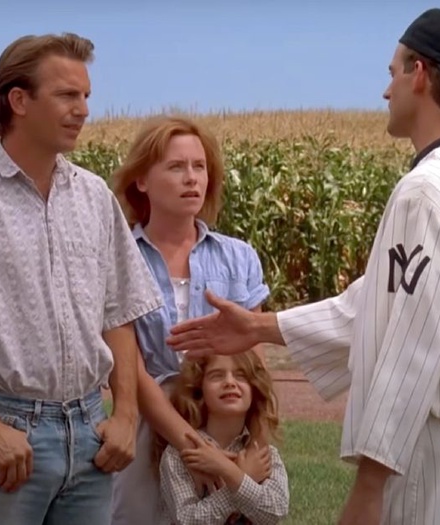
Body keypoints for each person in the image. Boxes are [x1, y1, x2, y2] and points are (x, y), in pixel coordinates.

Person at [166, 8, 440, 525]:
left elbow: (411, 343)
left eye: (393, 73)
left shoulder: (425, 191)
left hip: (436, 465)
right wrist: (257, 327)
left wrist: (370, 482)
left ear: (420, 74)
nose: (387, 91)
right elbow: (376, 307)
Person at [0, 32, 164, 525]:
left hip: (90, 435)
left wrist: (126, 415)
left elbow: (118, 312)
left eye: (86, 97)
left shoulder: (95, 197)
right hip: (9, 435)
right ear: (18, 100)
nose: (82, 109)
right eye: (67, 95)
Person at [108, 115, 274, 524]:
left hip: (227, 428)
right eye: (176, 166)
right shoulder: (119, 257)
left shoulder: (238, 258)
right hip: (148, 428)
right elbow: (133, 373)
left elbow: (254, 367)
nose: (192, 179)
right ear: (142, 180)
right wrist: (193, 449)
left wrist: (238, 452)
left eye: (199, 167)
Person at [158, 351, 290, 525]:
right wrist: (243, 479)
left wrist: (229, 472)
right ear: (200, 391)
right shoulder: (180, 455)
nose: (229, 382)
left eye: (241, 376)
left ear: (254, 390)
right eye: (216, 376)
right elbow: (187, 520)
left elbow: (276, 511)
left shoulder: (264, 455)